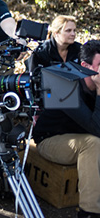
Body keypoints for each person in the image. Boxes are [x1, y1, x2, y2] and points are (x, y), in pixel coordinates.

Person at [32, 39, 100, 218]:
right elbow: (96, 128)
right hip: (51, 139)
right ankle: (90, 212)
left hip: (80, 136)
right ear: (85, 66)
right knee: (93, 143)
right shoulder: (64, 83)